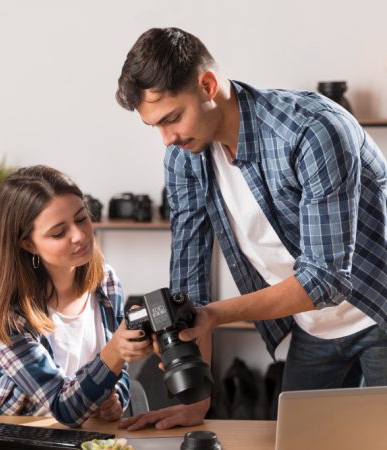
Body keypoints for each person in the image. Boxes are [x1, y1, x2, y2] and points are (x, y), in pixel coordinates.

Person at [115, 27, 387, 430]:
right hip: (312, 326)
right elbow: (189, 287)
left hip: (377, 309)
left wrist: (213, 315)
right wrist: (197, 396)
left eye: (172, 118)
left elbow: (326, 278)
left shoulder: (312, 130)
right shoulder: (184, 158)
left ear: (207, 85)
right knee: (299, 441)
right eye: (154, 125)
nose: (166, 139)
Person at [0, 165, 153, 427]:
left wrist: (115, 398)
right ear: (28, 244)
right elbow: (63, 407)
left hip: (86, 433)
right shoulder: (0, 309)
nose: (79, 235)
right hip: (12, 434)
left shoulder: (106, 281)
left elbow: (117, 371)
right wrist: (115, 351)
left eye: (81, 218)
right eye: (58, 232)